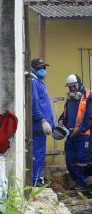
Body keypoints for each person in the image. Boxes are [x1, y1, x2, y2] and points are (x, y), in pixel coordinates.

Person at [58, 74, 92, 190]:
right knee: (70, 160)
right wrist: (60, 120)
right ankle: (77, 181)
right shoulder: (70, 98)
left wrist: (79, 129)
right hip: (71, 134)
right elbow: (66, 113)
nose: (72, 89)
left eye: (74, 86)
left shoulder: (89, 97)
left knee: (82, 160)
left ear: (79, 84)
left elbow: (90, 117)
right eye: (70, 87)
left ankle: (82, 184)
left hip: (84, 134)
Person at [30, 58, 54, 186]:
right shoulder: (34, 82)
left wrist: (53, 125)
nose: (43, 70)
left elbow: (45, 105)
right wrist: (43, 120)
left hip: (43, 125)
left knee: (39, 152)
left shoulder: (39, 82)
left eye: (44, 67)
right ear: (33, 68)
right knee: (38, 153)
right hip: (38, 125)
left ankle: (37, 178)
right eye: (40, 68)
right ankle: (35, 179)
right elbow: (35, 103)